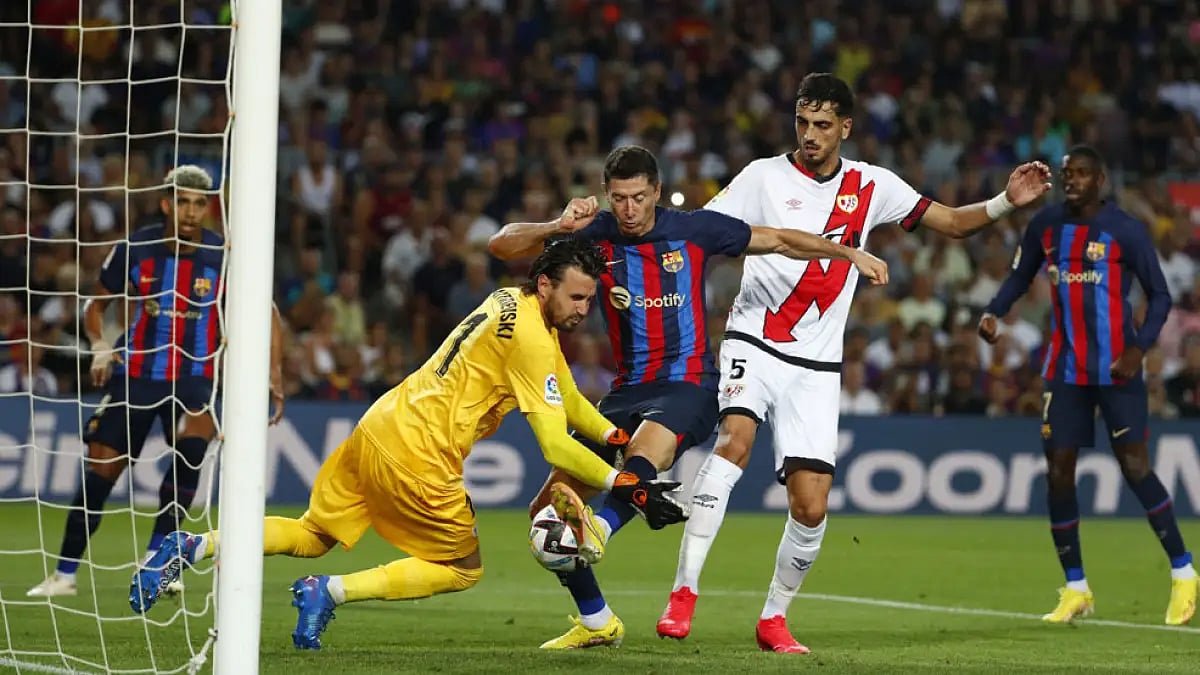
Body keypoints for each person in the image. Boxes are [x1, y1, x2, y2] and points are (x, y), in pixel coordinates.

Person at [128, 239, 687, 651]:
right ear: (545, 285)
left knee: (313, 532)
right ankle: (330, 592)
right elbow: (555, 447)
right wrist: (627, 484)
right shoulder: (534, 343)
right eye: (576, 297)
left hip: (379, 423)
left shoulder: (505, 301)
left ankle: (189, 547)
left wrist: (616, 438)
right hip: (422, 452)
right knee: (462, 567)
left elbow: (567, 397)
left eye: (589, 300)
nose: (583, 310)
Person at [658, 72, 1053, 653]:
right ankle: (683, 594)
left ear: (845, 126)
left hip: (816, 367)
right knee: (734, 441)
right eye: (802, 122)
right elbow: (706, 232)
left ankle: (774, 619)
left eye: (822, 124)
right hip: (753, 338)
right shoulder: (762, 176)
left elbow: (948, 222)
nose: (810, 134)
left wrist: (1003, 203)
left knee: (811, 504)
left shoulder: (873, 185)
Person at [488, 144, 888, 649]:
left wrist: (848, 252)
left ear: (657, 191)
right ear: (607, 198)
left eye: (638, 197)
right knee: (544, 515)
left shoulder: (695, 229)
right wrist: (555, 227)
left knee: (642, 455)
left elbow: (781, 239)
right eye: (619, 199)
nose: (629, 210)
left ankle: (602, 531)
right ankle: (596, 621)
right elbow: (501, 245)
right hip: (626, 390)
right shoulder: (595, 234)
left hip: (689, 385)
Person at [27, 166, 285, 598]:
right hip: (138, 374)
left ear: (208, 207)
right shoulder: (136, 247)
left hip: (194, 376)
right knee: (102, 471)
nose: (191, 211)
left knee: (192, 450)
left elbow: (269, 312)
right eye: (182, 201)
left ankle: (157, 558)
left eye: (200, 203)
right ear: (167, 204)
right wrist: (100, 343)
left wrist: (274, 376)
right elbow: (96, 303)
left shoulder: (224, 254)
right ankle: (65, 575)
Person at [979, 145, 1196, 625]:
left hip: (1117, 367)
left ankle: (1184, 572)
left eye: (1081, 174)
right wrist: (995, 310)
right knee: (1058, 471)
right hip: (1065, 368)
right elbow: (1020, 275)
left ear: (1100, 180)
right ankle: (1076, 587)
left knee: (1135, 467)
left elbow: (1160, 295)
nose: (1071, 179)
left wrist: (1139, 348)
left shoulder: (1125, 230)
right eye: (1066, 173)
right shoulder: (1046, 226)